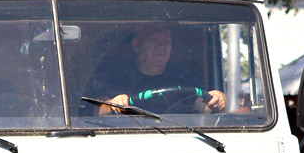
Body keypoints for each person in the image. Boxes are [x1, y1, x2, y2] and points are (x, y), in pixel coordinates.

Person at [87, 22, 226, 115]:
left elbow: (202, 106)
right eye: (153, 40)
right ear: (136, 45)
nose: (161, 46)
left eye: (166, 41)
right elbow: (96, 109)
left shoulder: (183, 77)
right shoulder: (115, 75)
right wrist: (112, 104)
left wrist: (216, 99)